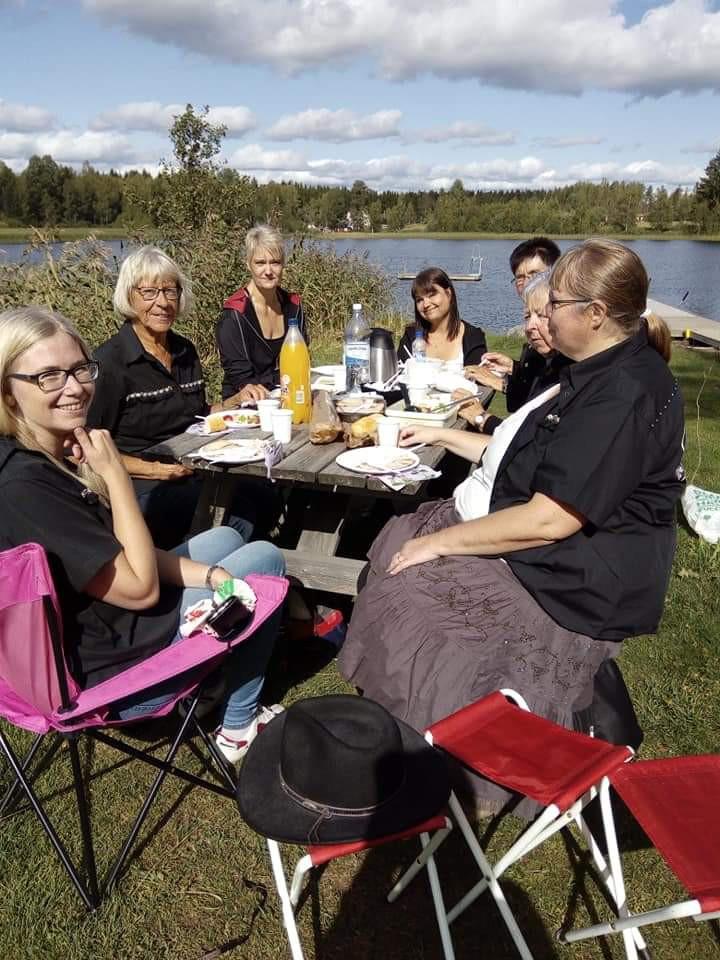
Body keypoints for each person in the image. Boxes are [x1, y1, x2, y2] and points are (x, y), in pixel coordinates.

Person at [339, 239, 684, 814]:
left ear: (595, 315)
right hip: (564, 556)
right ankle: (412, 733)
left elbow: (551, 518)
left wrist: (440, 542)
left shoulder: (622, 391)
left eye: (555, 306)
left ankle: (447, 764)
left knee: (415, 595)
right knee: (400, 558)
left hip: (583, 583)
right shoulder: (597, 371)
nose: (542, 315)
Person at [0, 305, 286, 764]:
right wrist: (115, 475)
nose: (74, 388)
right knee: (267, 560)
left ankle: (216, 677)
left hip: (104, 629)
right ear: (9, 393)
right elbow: (140, 588)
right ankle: (238, 726)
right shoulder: (27, 488)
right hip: (113, 678)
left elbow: (118, 559)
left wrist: (214, 577)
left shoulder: (39, 454)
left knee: (227, 545)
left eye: (78, 370)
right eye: (48, 377)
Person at [87, 246, 261, 550]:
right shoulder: (111, 362)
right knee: (235, 515)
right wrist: (158, 470)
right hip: (140, 486)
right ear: (129, 297)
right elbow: (87, 446)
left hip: (193, 468)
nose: (163, 302)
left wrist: (234, 402)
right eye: (150, 292)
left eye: (170, 291)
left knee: (264, 492)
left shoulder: (184, 351)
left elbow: (197, 414)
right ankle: (190, 584)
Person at [460, 272, 567, 432]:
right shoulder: (548, 364)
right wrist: (511, 371)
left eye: (542, 315)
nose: (530, 326)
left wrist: (480, 417)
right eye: (527, 316)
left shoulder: (569, 375)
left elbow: (529, 442)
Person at [216, 224, 307, 403]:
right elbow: (241, 379)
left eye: (275, 262)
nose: (268, 271)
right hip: (247, 407)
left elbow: (301, 359)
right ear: (248, 265)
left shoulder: (294, 307)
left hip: (289, 397)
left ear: (283, 264)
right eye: (260, 263)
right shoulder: (234, 314)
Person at [469, 237, 561, 398]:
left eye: (535, 275)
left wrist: (481, 417)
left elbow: (545, 393)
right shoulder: (535, 324)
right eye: (520, 277)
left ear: (556, 273)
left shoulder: (562, 332)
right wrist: (513, 367)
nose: (527, 283)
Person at [397, 267, 487, 368]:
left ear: (448, 294)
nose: (426, 304)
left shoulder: (473, 337)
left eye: (432, 295)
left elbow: (479, 379)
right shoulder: (411, 337)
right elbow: (398, 377)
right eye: (419, 300)